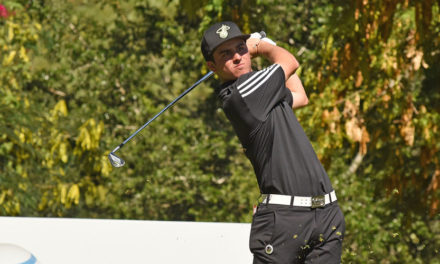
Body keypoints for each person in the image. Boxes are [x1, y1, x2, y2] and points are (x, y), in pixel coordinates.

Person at [201, 21, 345, 263]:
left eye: (240, 48)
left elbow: (300, 96)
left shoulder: (263, 92)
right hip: (283, 220)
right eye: (225, 54)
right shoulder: (242, 93)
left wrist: (268, 48)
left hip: (325, 214)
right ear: (212, 66)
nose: (237, 57)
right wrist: (261, 47)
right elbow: (290, 62)